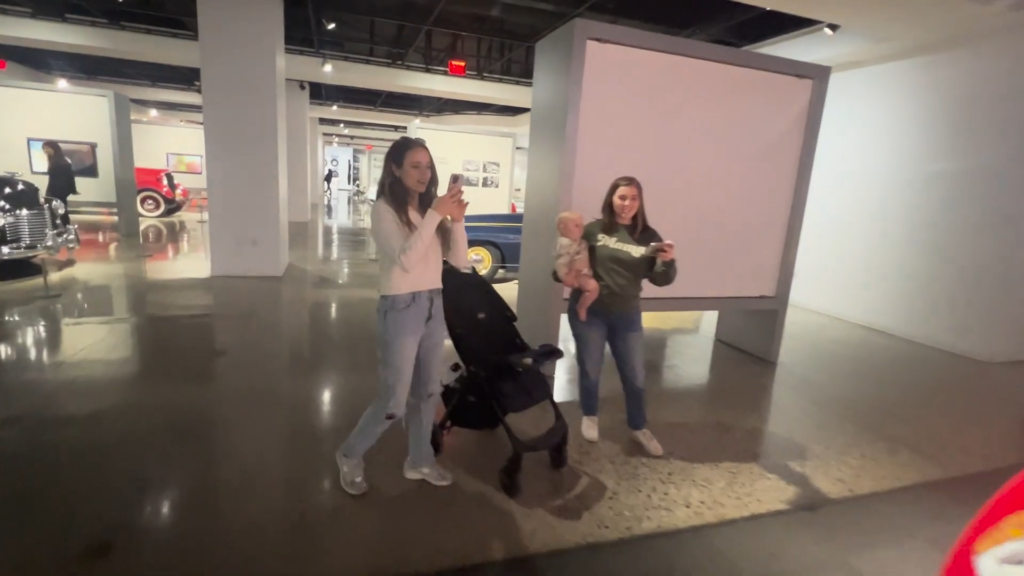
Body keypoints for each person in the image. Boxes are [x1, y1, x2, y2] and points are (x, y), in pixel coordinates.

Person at [336, 136, 469, 496]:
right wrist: (437, 214)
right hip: (400, 308)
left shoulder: (430, 212)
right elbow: (406, 260)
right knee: (393, 401)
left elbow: (460, 262)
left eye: (428, 166)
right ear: (395, 168)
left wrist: (456, 221)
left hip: (433, 303)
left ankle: (420, 460)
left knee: (427, 391)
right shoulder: (384, 210)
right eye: (415, 165)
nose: (424, 173)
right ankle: (349, 454)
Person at [563, 176, 676, 457]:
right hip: (589, 312)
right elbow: (565, 262)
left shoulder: (649, 236)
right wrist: (569, 275)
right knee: (590, 367)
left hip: (627, 315)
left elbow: (661, 280)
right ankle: (590, 415)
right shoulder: (592, 230)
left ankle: (639, 427)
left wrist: (668, 261)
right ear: (611, 199)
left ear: (640, 202)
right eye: (622, 197)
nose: (627, 204)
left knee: (635, 375)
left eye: (633, 198)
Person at [554, 211, 599, 321]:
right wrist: (568, 275)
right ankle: (582, 307)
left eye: (581, 225)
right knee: (593, 288)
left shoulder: (576, 241)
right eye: (576, 225)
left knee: (592, 288)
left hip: (581, 272)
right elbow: (562, 263)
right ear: (562, 228)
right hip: (577, 273)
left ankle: (582, 306)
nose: (581, 229)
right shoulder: (566, 243)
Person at [42, 140, 78, 226]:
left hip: (59, 190)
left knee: (59, 209)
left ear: (54, 148)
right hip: (54, 189)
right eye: (44, 149)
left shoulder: (62, 162)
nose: (45, 151)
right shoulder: (54, 160)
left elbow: (70, 177)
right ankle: (61, 226)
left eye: (47, 148)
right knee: (58, 209)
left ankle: (64, 226)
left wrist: (72, 189)